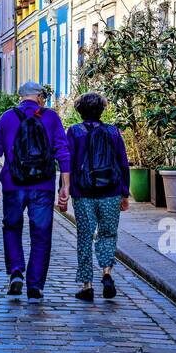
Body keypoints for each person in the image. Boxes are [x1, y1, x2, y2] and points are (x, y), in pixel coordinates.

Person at [0, 82, 70, 300]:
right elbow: (62, 151)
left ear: (20, 97)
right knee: (41, 234)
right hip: (42, 185)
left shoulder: (7, 117)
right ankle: (35, 285)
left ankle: (15, 273)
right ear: (40, 97)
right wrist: (66, 185)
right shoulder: (50, 118)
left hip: (14, 183)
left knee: (12, 227)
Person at [60, 92, 130, 301]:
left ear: (80, 111)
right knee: (108, 234)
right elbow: (123, 164)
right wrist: (124, 193)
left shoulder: (74, 132)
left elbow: (67, 164)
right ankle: (107, 273)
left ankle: (87, 286)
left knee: (85, 236)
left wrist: (63, 189)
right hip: (110, 191)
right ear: (102, 110)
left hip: (83, 193)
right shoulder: (113, 132)